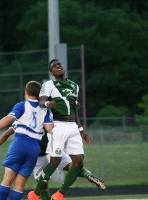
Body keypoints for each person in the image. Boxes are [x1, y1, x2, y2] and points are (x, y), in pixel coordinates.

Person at [28, 59, 104, 200]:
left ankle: (60, 194)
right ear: (52, 72)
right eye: (54, 66)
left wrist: (81, 130)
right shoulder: (49, 84)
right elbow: (41, 101)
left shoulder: (74, 86)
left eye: (59, 65)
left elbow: (75, 111)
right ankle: (36, 194)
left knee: (79, 162)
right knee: (55, 161)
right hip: (58, 125)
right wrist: (48, 103)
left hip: (72, 127)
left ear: (63, 68)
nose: (58, 66)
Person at [0, 80, 53, 200]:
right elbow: (50, 129)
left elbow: (8, 121)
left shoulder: (22, 105)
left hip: (20, 144)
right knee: (19, 186)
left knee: (7, 180)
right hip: (35, 149)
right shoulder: (45, 111)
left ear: (25, 91)